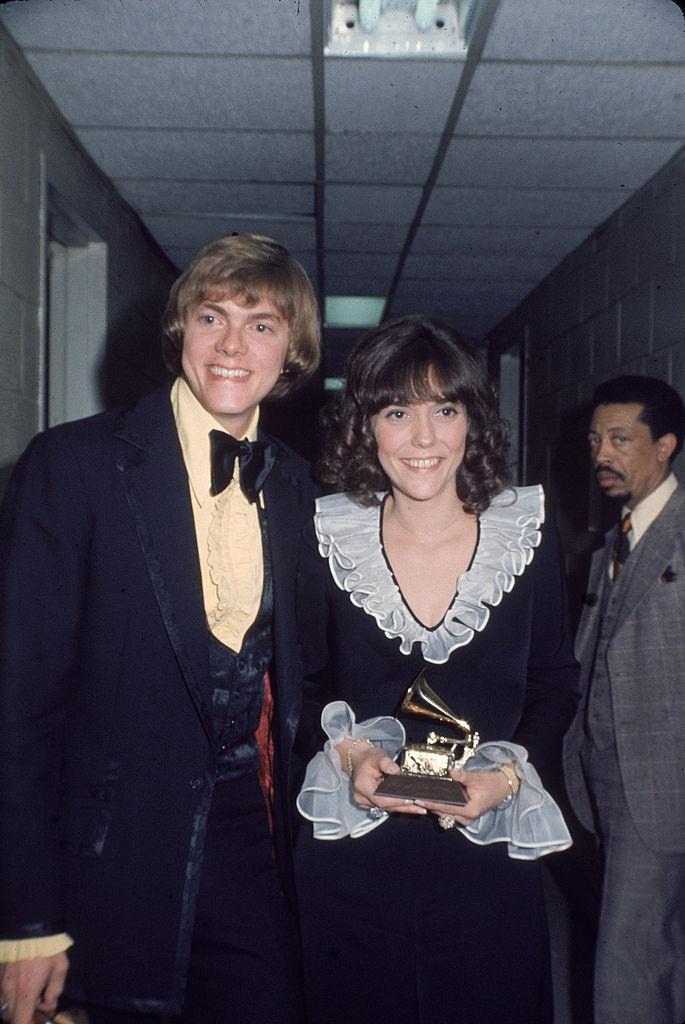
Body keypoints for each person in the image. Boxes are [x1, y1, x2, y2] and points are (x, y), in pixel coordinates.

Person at [0, 233, 321, 1024]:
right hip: (107, 860)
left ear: (293, 351)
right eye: (212, 317)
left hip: (252, 848)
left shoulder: (298, 486)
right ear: (181, 329)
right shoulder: (72, 464)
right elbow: (18, 701)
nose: (232, 346)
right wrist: (25, 923)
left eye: (262, 324)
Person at [294, 315, 580, 1024]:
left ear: (470, 421)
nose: (423, 439)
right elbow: (298, 685)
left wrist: (508, 775)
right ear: (366, 427)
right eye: (397, 412)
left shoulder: (526, 532)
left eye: (443, 410)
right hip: (353, 857)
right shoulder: (326, 532)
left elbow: (553, 685)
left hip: (484, 859)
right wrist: (354, 753)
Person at [563, 375, 685, 1024]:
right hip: (606, 788)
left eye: (618, 439)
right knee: (652, 958)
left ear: (663, 445)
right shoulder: (609, 546)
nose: (600, 455)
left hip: (662, 790)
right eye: (593, 440)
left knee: (626, 971)